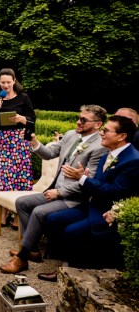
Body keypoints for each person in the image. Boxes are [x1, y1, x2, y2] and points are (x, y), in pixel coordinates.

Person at [0, 105, 108, 274]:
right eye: (78, 117)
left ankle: (22, 257)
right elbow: (49, 153)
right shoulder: (72, 135)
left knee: (38, 212)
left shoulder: (100, 147)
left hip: (74, 198)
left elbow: (89, 181)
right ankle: (33, 249)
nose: (78, 122)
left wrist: (59, 193)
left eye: (83, 120)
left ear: (97, 124)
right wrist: (34, 142)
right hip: (55, 190)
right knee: (22, 203)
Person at [40, 115, 139, 281]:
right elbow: (100, 183)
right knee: (53, 219)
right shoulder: (108, 154)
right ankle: (64, 264)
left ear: (122, 136)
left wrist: (83, 179)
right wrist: (86, 178)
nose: (101, 133)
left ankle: (72, 272)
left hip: (108, 212)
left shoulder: (133, 160)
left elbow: (114, 191)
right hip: (92, 206)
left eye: (106, 130)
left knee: (72, 231)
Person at [0, 68, 36, 228]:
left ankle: (18, 216)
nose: (5, 85)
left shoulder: (24, 98)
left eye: (8, 82)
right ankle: (3, 213)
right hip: (0, 142)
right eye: (3, 82)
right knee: (1, 177)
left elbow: (32, 119)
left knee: (19, 177)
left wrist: (22, 119)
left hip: (18, 142)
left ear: (14, 81)